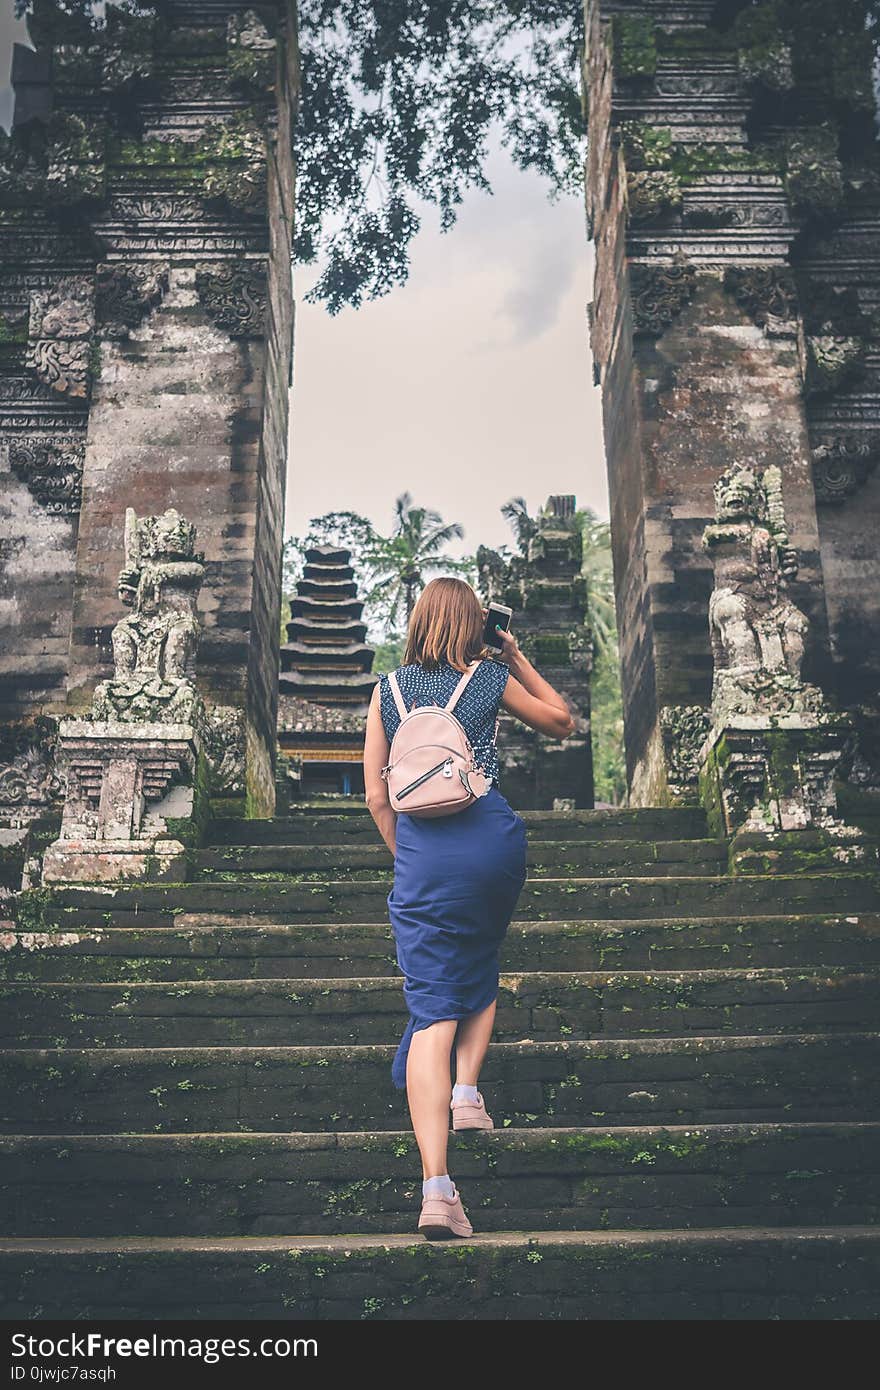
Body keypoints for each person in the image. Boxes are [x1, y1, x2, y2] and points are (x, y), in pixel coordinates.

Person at [363, 576, 575, 1239]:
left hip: (425, 851)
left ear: (420, 620)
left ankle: (436, 1189)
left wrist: (410, 857)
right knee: (481, 952)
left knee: (432, 1012)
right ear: (472, 626)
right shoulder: (486, 680)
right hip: (490, 839)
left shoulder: (387, 690)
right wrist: (513, 656)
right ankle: (466, 1091)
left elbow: (375, 795)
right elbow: (562, 721)